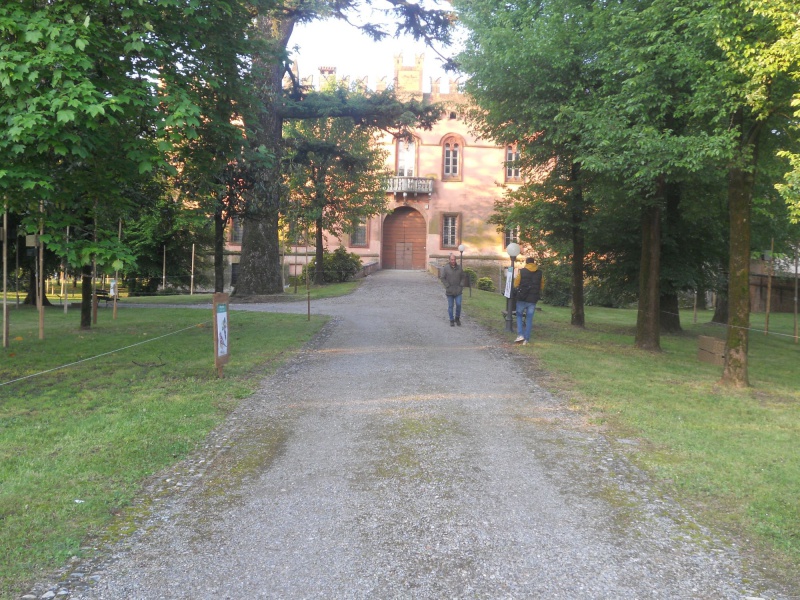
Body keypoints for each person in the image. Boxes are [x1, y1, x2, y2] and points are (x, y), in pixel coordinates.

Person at [513, 257, 544, 345]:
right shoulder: (539, 273)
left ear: (526, 263)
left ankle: (520, 335)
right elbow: (542, 285)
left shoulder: (522, 271)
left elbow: (516, 283)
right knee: (529, 319)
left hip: (522, 297)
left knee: (519, 315)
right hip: (533, 299)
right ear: (534, 263)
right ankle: (526, 339)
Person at [441, 253, 465, 326]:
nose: (453, 261)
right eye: (452, 260)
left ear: (455, 260)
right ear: (449, 260)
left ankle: (457, 318)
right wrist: (447, 285)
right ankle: (451, 320)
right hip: (450, 291)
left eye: (454, 259)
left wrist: (461, 285)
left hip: (458, 290)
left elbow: (463, 277)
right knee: (450, 306)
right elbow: (442, 278)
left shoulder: (459, 268)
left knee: (458, 304)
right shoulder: (446, 268)